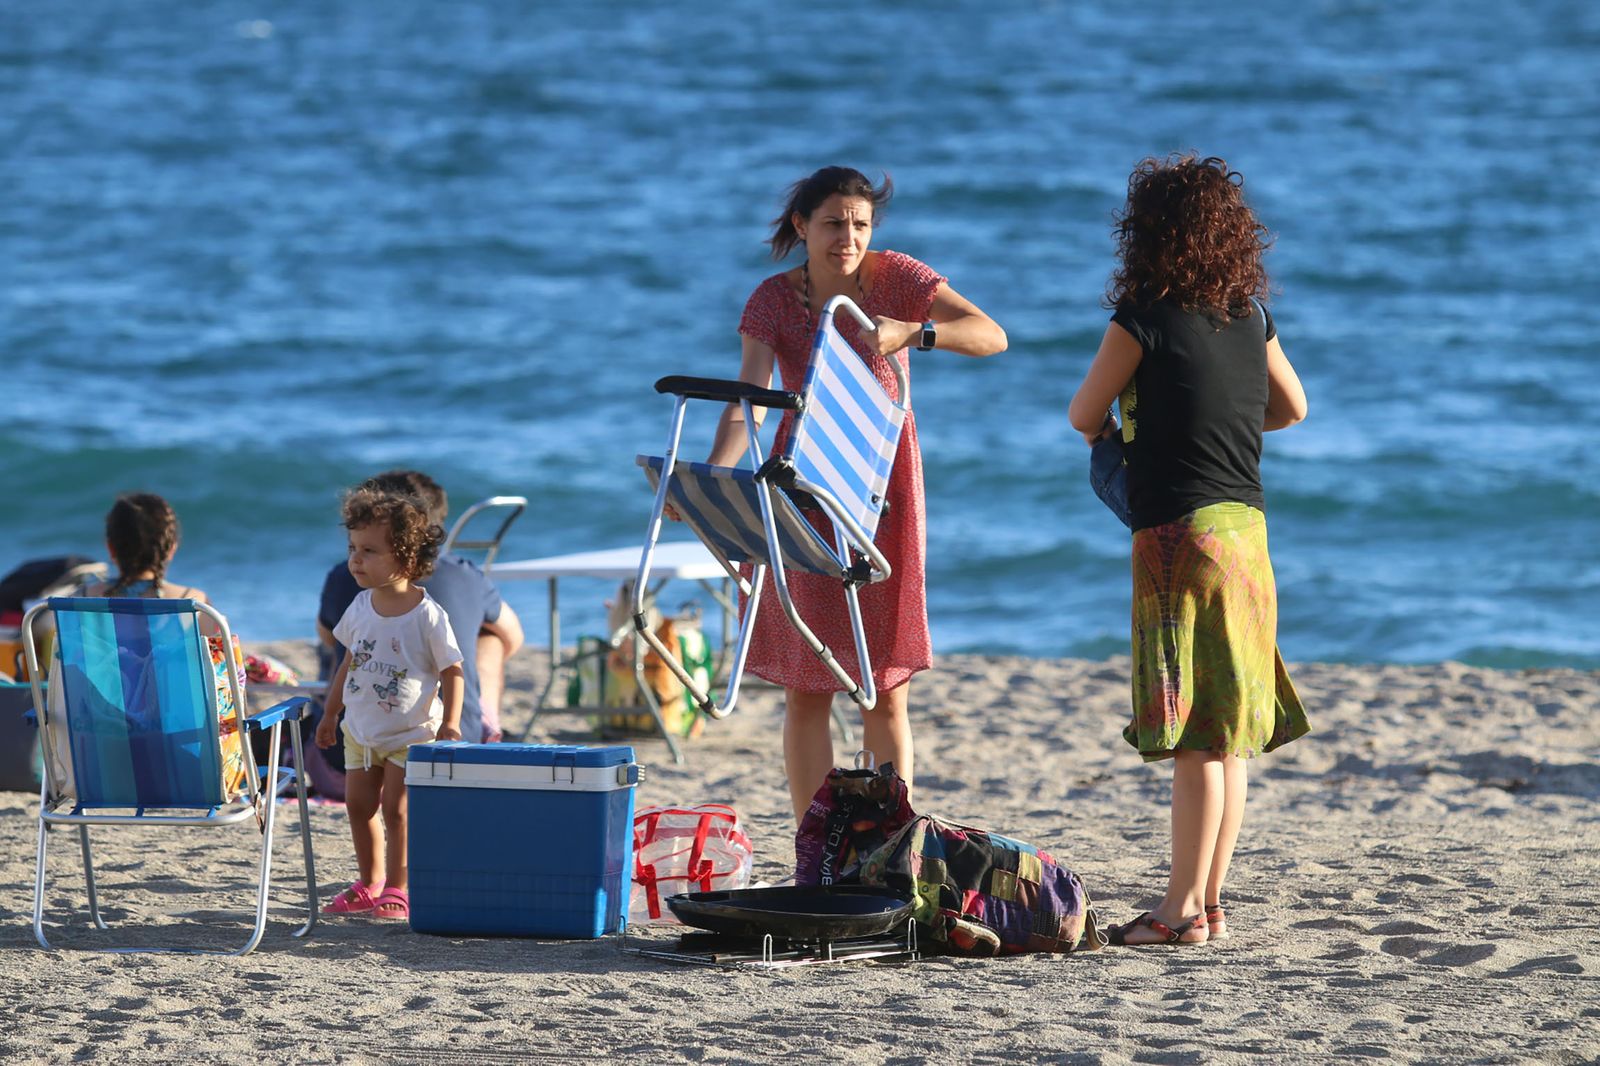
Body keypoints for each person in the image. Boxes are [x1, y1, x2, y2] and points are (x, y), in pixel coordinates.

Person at [703, 165, 1006, 822]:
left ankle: (889, 842)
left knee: (885, 687)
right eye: (833, 223)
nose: (848, 237)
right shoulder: (772, 299)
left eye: (860, 224)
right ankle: (814, 840)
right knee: (807, 686)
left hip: (881, 485)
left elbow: (990, 335)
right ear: (801, 226)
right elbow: (748, 404)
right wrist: (714, 481)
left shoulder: (896, 277)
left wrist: (914, 333)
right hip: (803, 485)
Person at [1067, 153, 1312, 945]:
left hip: (1179, 536)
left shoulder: (1140, 318)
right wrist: (1223, 416)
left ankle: (1177, 913)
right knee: (1229, 736)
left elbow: (1084, 415)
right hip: (1248, 536)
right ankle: (1208, 904)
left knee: (1196, 738)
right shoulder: (1251, 316)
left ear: (1146, 235)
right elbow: (1292, 409)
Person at [315, 487, 464, 921]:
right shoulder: (360, 606)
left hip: (410, 733)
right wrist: (330, 713)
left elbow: (453, 670)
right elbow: (347, 662)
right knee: (359, 806)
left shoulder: (427, 615)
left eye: (369, 551)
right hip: (360, 730)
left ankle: (398, 888)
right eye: (352, 549)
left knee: (397, 811)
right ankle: (370, 882)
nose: (355, 560)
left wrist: (451, 723)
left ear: (407, 558)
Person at [316, 471, 523, 745]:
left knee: (338, 646)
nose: (356, 558)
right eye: (352, 548)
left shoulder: (343, 577)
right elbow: (513, 637)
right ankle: (481, 726)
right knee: (490, 639)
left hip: (353, 749)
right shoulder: (464, 574)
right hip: (443, 745)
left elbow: (327, 638)